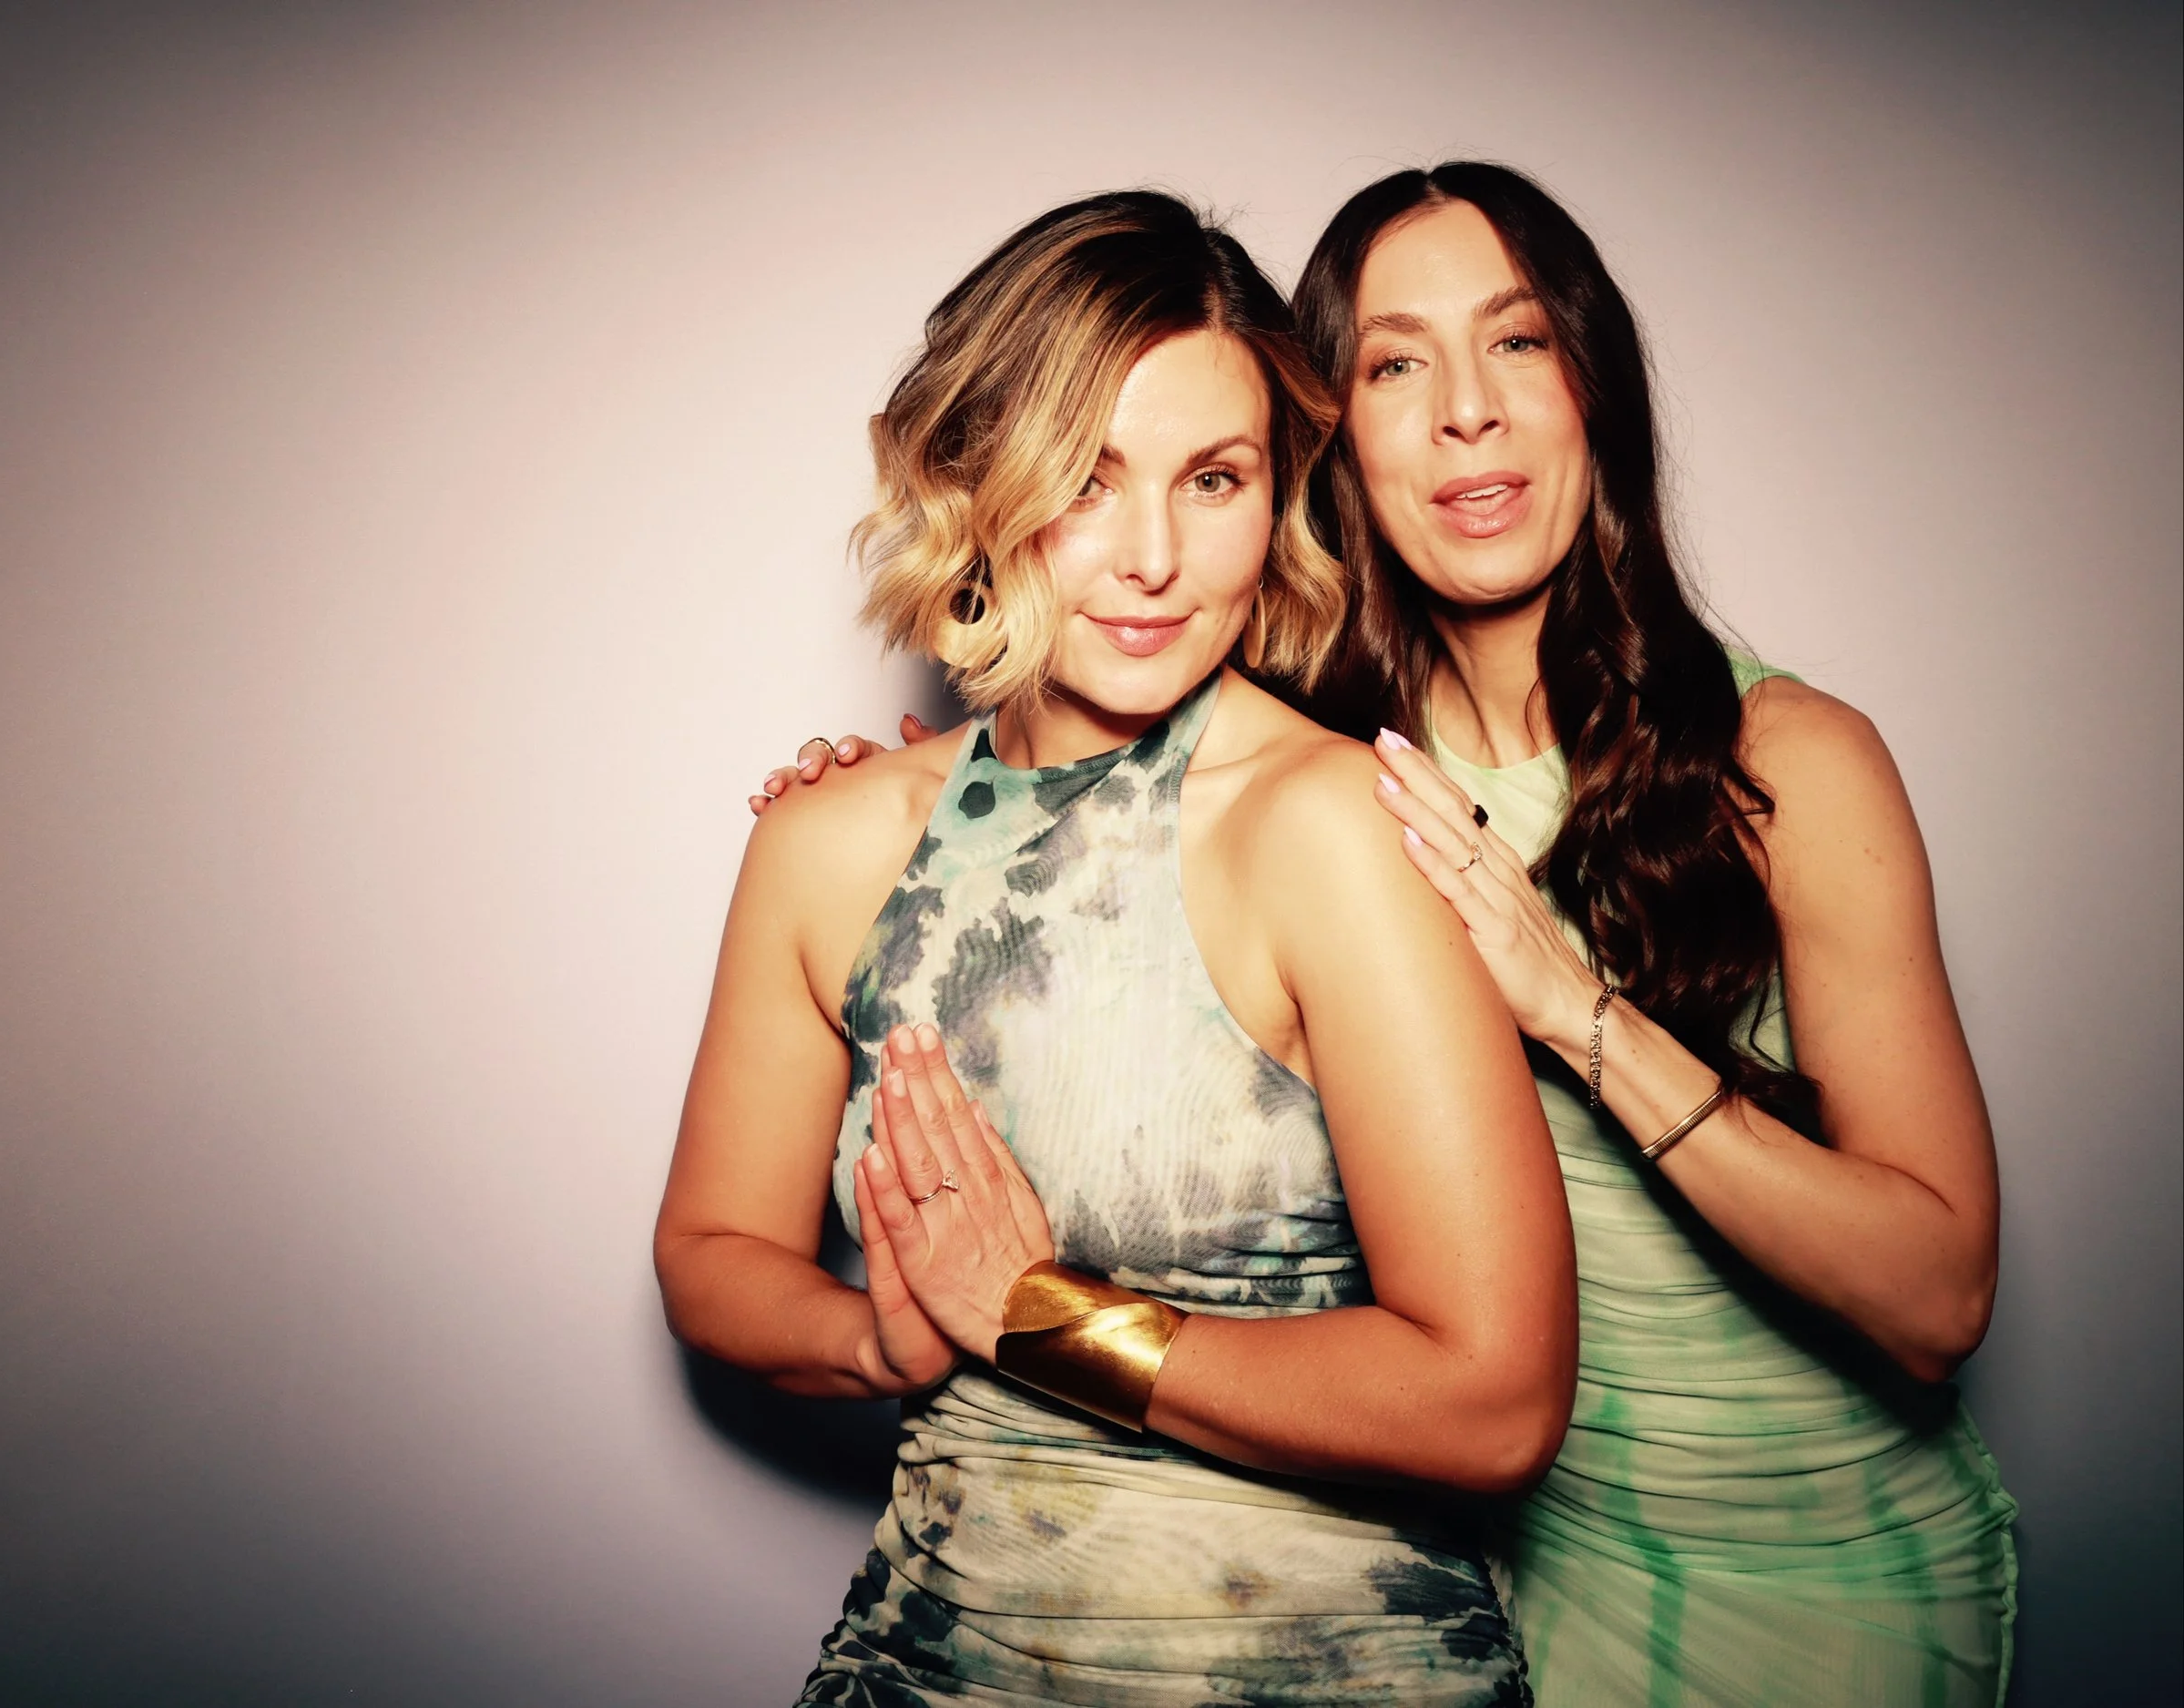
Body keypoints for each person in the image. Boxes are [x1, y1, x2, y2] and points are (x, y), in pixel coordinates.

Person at [763, 164, 2018, 1707]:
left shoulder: (1792, 762)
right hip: (1478, 1569)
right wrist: (916, 814)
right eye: (1396, 365)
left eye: (1520, 344)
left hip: (1794, 1561)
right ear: (1327, 441)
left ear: (1597, 390)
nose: (1468, 414)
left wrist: (1580, 1015)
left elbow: (1942, 1295)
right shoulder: (1318, 764)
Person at [658, 190, 1576, 1707]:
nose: (1153, 556)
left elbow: (1495, 1399)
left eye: (1212, 478)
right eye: (1088, 479)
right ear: (977, 479)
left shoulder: (1329, 822)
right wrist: (880, 1341)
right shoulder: (829, 838)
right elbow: (711, 1255)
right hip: (931, 1659)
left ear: (1276, 495)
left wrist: (1038, 1315)